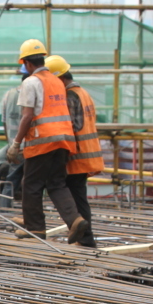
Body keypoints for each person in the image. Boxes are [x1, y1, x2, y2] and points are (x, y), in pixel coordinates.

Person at [7, 39, 89, 243]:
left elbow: (27, 116)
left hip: (42, 140)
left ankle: (35, 228)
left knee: (31, 184)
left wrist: (16, 143)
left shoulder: (31, 82)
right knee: (56, 183)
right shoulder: (56, 80)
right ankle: (75, 219)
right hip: (64, 140)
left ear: (26, 63)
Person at [46, 55, 102, 247]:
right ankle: (86, 239)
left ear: (60, 79)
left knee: (75, 198)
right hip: (85, 154)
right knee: (79, 198)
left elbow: (73, 126)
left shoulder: (70, 96)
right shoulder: (83, 92)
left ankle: (86, 240)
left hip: (76, 156)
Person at [0, 65, 30, 207]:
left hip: (14, 147)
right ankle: (30, 216)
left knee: (11, 182)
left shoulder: (8, 95)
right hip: (30, 147)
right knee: (32, 184)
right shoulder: (34, 96)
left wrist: (12, 143)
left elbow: (4, 123)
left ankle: (5, 212)